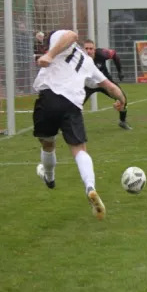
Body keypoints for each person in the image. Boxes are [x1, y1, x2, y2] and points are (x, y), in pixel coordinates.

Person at [33, 29, 127, 221]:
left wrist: (49, 55)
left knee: (47, 144)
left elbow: (72, 34)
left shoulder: (60, 39)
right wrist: (122, 100)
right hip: (71, 105)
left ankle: (49, 178)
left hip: (49, 98)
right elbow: (109, 86)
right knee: (79, 149)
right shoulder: (89, 62)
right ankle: (90, 187)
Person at [82, 39, 131, 130]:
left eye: (91, 48)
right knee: (75, 105)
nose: (88, 51)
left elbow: (114, 54)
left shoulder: (101, 54)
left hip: (104, 82)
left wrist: (120, 71)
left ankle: (122, 121)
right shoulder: (78, 58)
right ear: (83, 49)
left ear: (94, 49)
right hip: (87, 85)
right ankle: (66, 126)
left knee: (122, 98)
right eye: (86, 48)